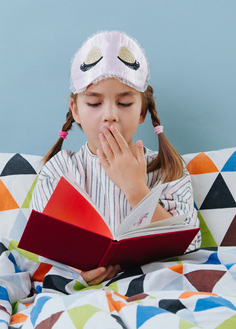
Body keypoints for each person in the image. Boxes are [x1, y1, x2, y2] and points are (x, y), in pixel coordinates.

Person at [29, 30, 200, 286]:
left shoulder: (166, 169)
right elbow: (44, 244)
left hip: (154, 287)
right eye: (95, 104)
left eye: (124, 103)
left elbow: (189, 242)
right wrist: (78, 269)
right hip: (77, 289)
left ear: (142, 111)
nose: (109, 115)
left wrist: (135, 189)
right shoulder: (60, 169)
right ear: (75, 110)